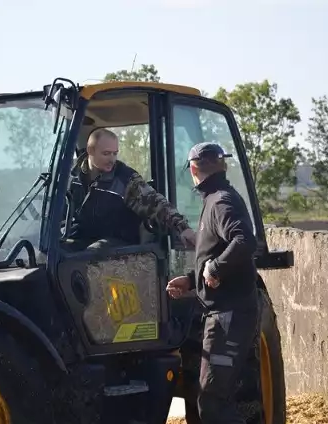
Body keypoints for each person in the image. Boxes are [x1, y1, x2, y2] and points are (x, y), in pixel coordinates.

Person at [166, 142, 260, 424]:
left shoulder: (220, 202)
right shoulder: (216, 198)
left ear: (193, 169)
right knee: (213, 399)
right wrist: (193, 280)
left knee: (213, 402)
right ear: (224, 165)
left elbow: (244, 241)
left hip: (228, 316)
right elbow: (215, 252)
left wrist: (216, 268)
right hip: (223, 313)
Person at [72, 128, 196, 248]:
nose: (112, 159)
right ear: (90, 150)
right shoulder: (71, 176)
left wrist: (182, 227)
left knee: (96, 250)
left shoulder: (126, 179)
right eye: (106, 153)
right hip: (82, 240)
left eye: (115, 153)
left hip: (119, 250)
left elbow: (155, 203)